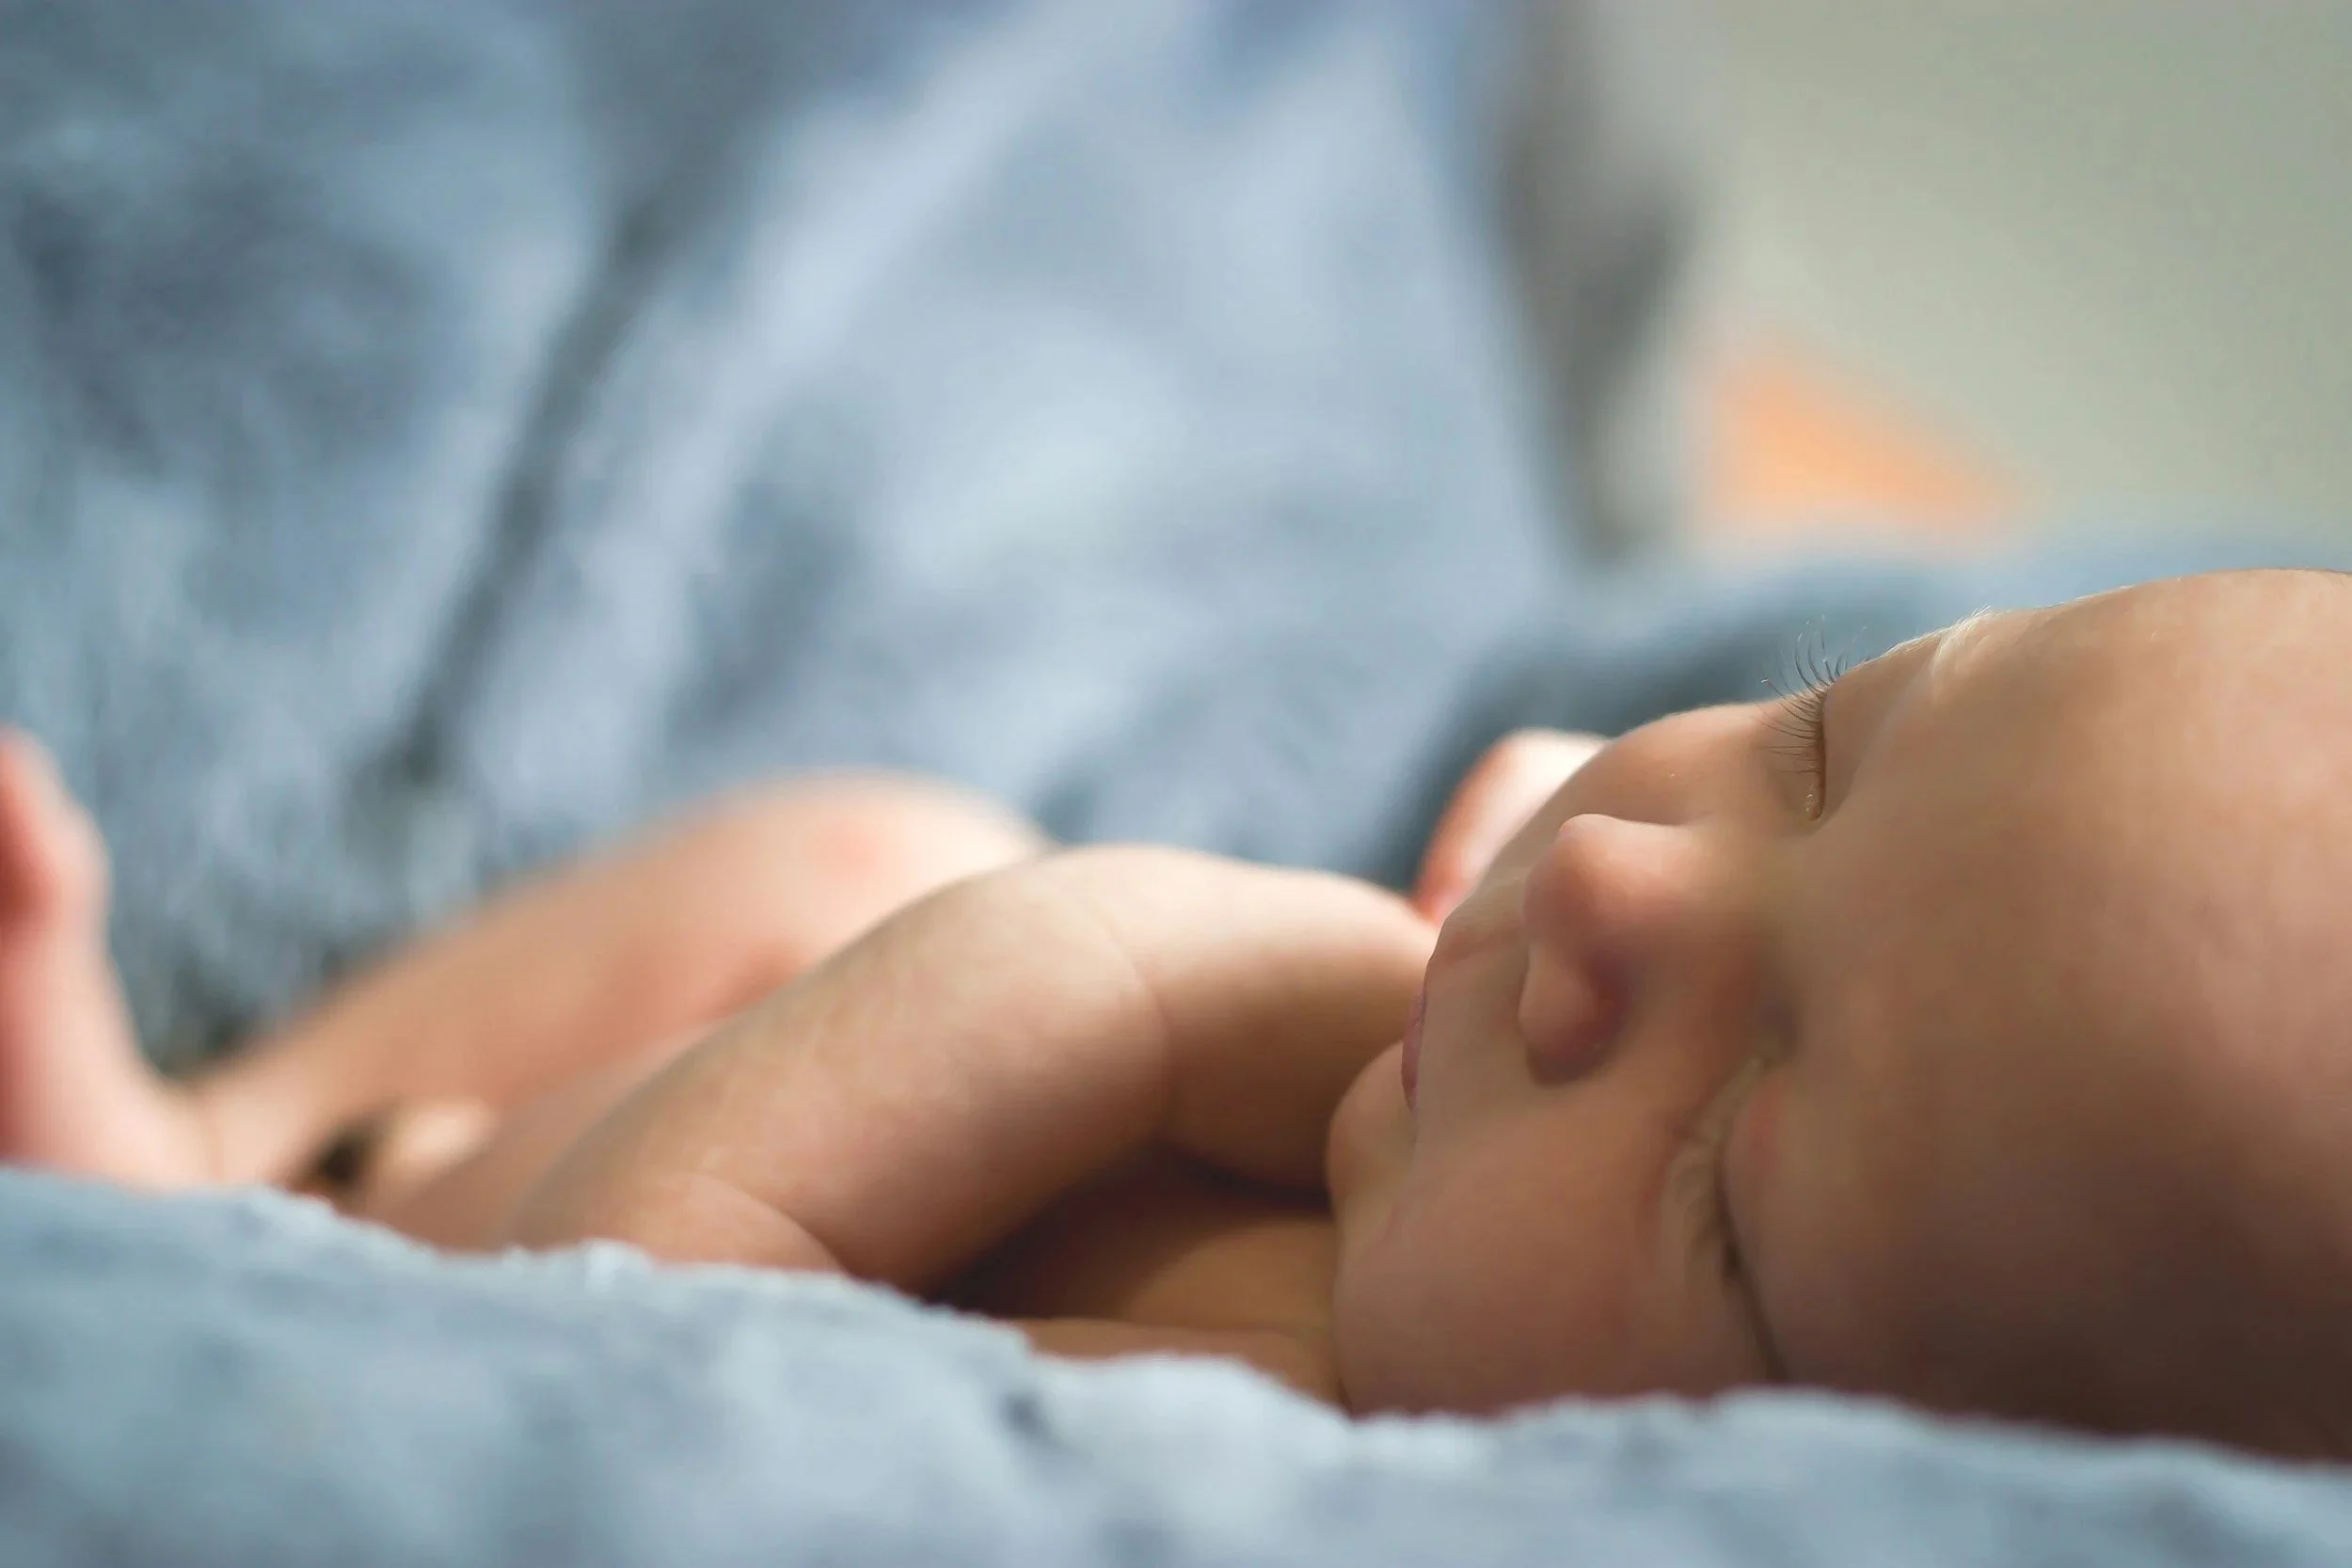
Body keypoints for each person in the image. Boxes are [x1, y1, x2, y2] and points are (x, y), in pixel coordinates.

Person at [9, 566, 2352, 1461]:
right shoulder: (1346, 1040)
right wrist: (602, 1325)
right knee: (884, 859)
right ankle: (202, 1129)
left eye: (1729, 1156)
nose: (1628, 884)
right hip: (460, 1195)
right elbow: (1070, 959)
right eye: (1821, 740)